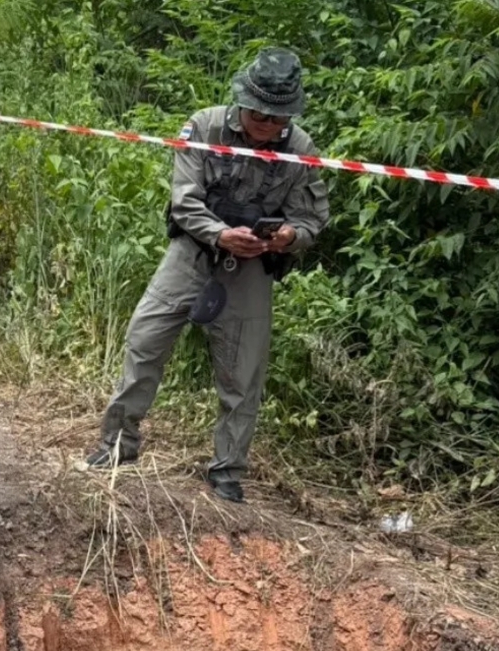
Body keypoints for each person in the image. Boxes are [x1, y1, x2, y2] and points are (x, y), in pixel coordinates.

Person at [83, 47, 330, 503]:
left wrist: (287, 236)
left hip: (252, 268)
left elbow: (313, 220)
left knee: (243, 372)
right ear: (243, 101)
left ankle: (227, 470)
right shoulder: (204, 126)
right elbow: (184, 201)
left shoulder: (301, 150)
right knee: (144, 340)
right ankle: (117, 445)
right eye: (260, 114)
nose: (268, 125)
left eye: (278, 118)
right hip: (192, 254)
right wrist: (220, 234)